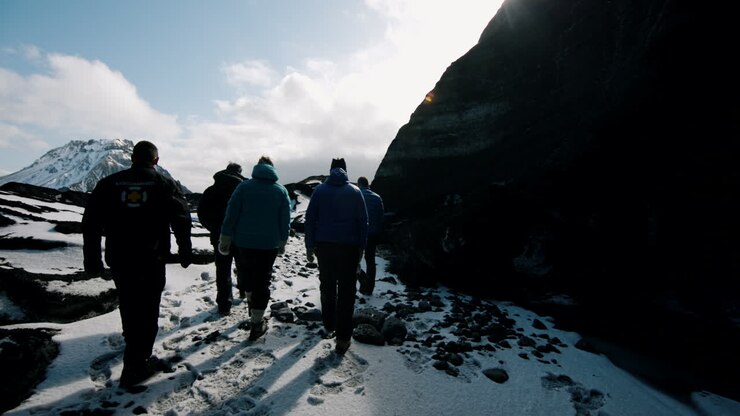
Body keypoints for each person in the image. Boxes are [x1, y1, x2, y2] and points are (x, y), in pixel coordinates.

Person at [82, 140, 192, 389]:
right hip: (152, 258)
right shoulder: (164, 184)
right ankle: (136, 364)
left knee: (129, 305)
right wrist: (185, 250)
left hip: (120, 257)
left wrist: (92, 259)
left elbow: (91, 223)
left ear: (132, 158)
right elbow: (182, 219)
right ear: (156, 160)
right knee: (149, 308)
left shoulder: (109, 183)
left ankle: (134, 352)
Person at [219, 156, 290, 341]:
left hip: (244, 243)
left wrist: (225, 238)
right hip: (269, 245)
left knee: (248, 275)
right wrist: (282, 241)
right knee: (263, 280)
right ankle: (257, 323)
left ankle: (251, 300)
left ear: (257, 168)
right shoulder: (280, 191)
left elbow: (231, 213)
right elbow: (285, 220)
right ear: (272, 169)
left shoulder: (244, 187)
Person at [304, 158, 368, 354]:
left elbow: (310, 219)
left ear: (330, 170)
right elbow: (363, 222)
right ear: (347, 171)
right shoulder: (355, 192)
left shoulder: (320, 191)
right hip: (349, 248)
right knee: (347, 291)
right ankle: (343, 338)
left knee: (328, 285)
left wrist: (309, 246)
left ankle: (329, 323)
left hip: (324, 247)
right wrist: (362, 248)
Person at [197, 162, 245, 315]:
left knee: (222, 270)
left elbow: (202, 213)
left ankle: (224, 304)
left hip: (218, 235)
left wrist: (214, 228)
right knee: (243, 265)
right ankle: (243, 290)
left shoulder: (211, 190)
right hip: (241, 236)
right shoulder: (244, 190)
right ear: (239, 172)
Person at [356, 176, 384, 295]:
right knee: (370, 260)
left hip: (358, 234)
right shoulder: (377, 198)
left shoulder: (356, 196)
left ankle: (362, 279)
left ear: (359, 184)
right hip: (373, 234)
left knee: (353, 260)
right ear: (368, 185)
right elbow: (381, 217)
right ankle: (369, 288)